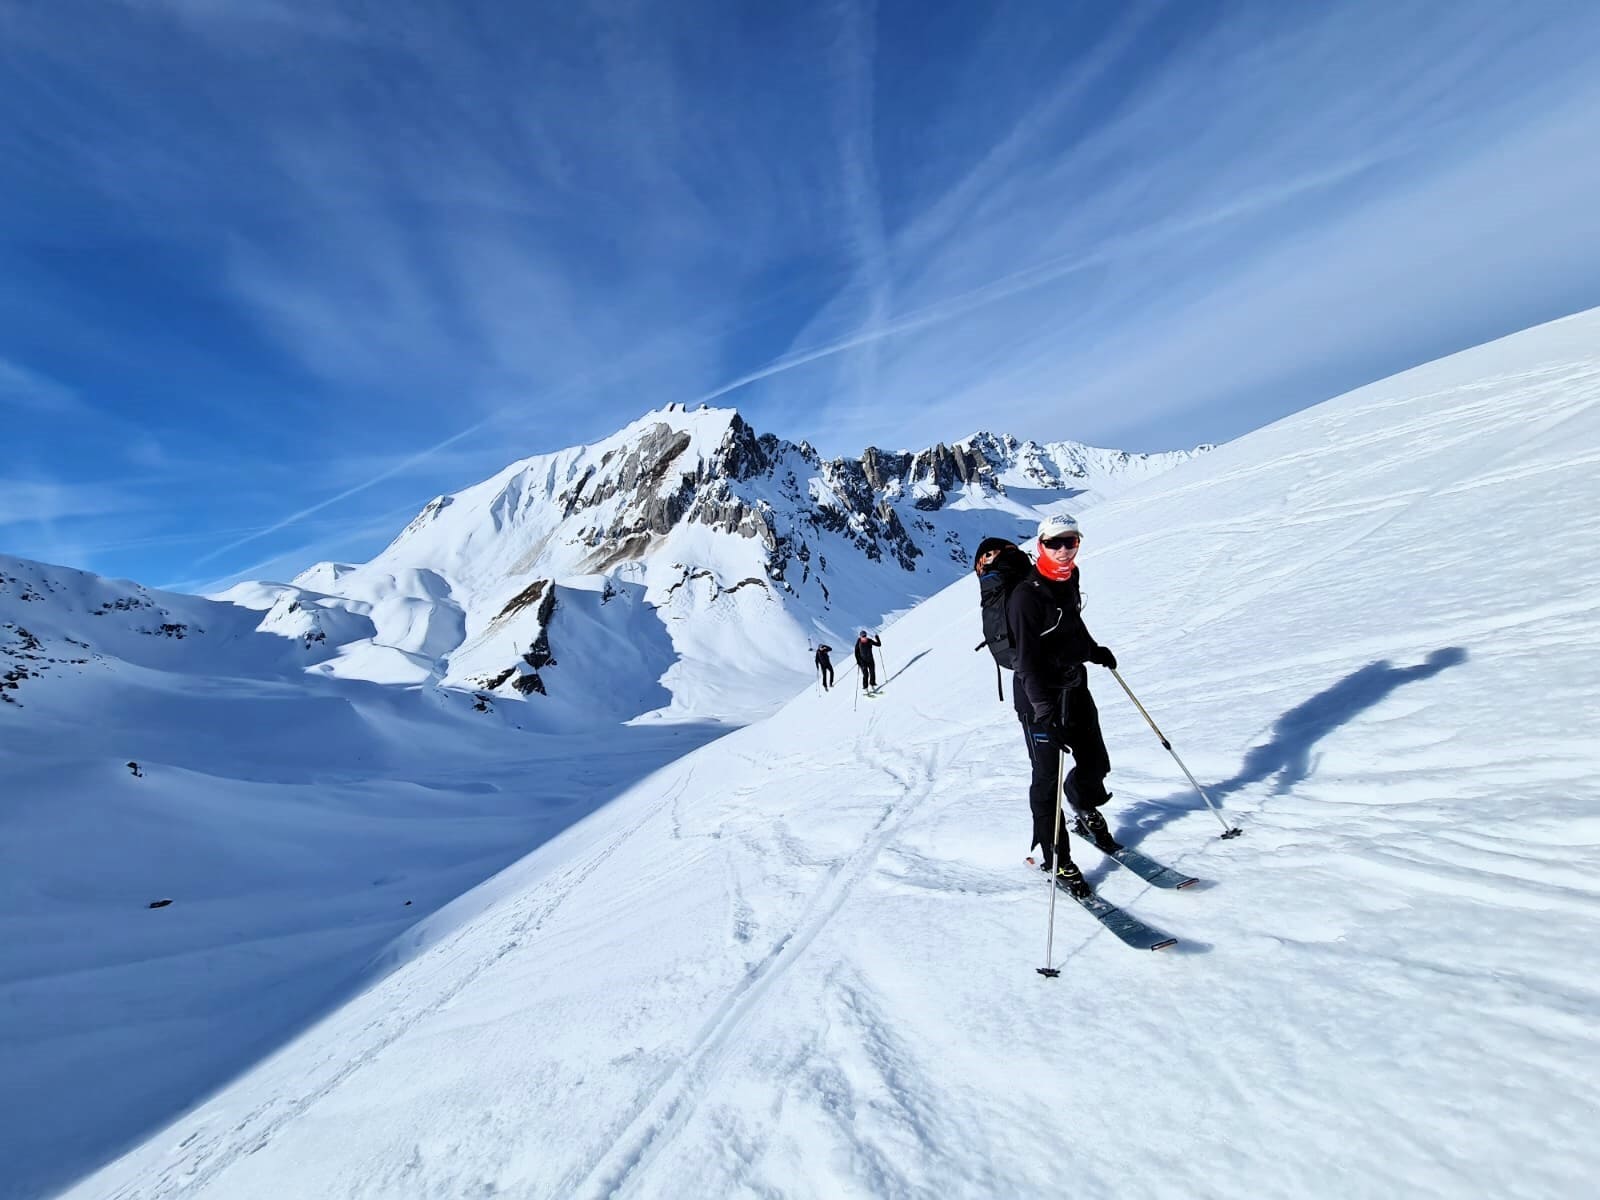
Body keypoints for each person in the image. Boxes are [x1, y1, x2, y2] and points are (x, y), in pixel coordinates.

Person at [1005, 514, 1120, 898]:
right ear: (1040, 545)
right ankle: (1057, 858)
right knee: (1047, 781)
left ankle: (1083, 804)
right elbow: (1027, 660)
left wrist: (1093, 650)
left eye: (1071, 541)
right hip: (1040, 701)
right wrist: (1044, 711)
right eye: (1055, 542)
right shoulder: (1025, 596)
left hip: (1074, 687)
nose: (1064, 549)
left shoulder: (1070, 578)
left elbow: (1071, 625)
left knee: (1095, 762)